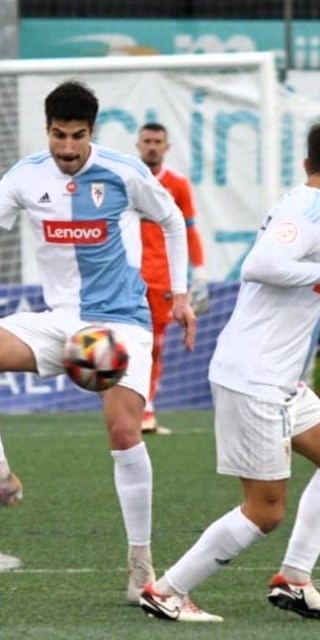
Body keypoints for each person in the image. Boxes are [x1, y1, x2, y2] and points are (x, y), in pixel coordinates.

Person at [0, 80, 197, 604]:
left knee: (124, 430)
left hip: (121, 323)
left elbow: (172, 220)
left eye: (77, 136)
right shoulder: (26, 176)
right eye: (59, 135)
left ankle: (140, 566)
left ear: (93, 132)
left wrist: (179, 294)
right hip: (60, 321)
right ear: (47, 130)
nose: (67, 148)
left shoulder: (125, 173)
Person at [138, 116, 320, 623]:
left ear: (308, 163)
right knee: (265, 510)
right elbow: (260, 265)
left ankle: (295, 579)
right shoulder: (311, 208)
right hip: (255, 377)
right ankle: (169, 590)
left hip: (280, 381)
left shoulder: (309, 206)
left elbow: (311, 296)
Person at [136, 122, 209, 435]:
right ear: (138, 145)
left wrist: (200, 271)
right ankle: (130, 408)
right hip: (128, 277)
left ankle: (147, 409)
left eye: (158, 141)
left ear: (167, 147)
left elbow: (189, 228)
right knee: (129, 343)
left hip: (162, 278)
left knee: (155, 345)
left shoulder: (177, 184)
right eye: (147, 141)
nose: (152, 146)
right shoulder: (127, 178)